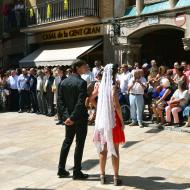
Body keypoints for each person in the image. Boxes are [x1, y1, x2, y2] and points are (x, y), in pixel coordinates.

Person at [93, 64, 125, 186]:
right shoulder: (113, 87)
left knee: (103, 149)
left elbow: (91, 98)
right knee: (115, 149)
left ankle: (102, 175)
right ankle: (116, 177)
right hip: (113, 120)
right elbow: (116, 105)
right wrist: (122, 121)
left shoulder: (100, 86)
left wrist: (99, 110)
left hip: (102, 119)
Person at [57, 60, 89, 180]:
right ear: (77, 68)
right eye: (84, 66)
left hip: (69, 119)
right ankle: (77, 171)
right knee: (79, 144)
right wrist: (72, 118)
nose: (86, 67)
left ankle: (61, 169)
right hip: (79, 118)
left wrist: (66, 117)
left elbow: (60, 102)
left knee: (67, 142)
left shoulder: (64, 82)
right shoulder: (81, 82)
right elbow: (80, 103)